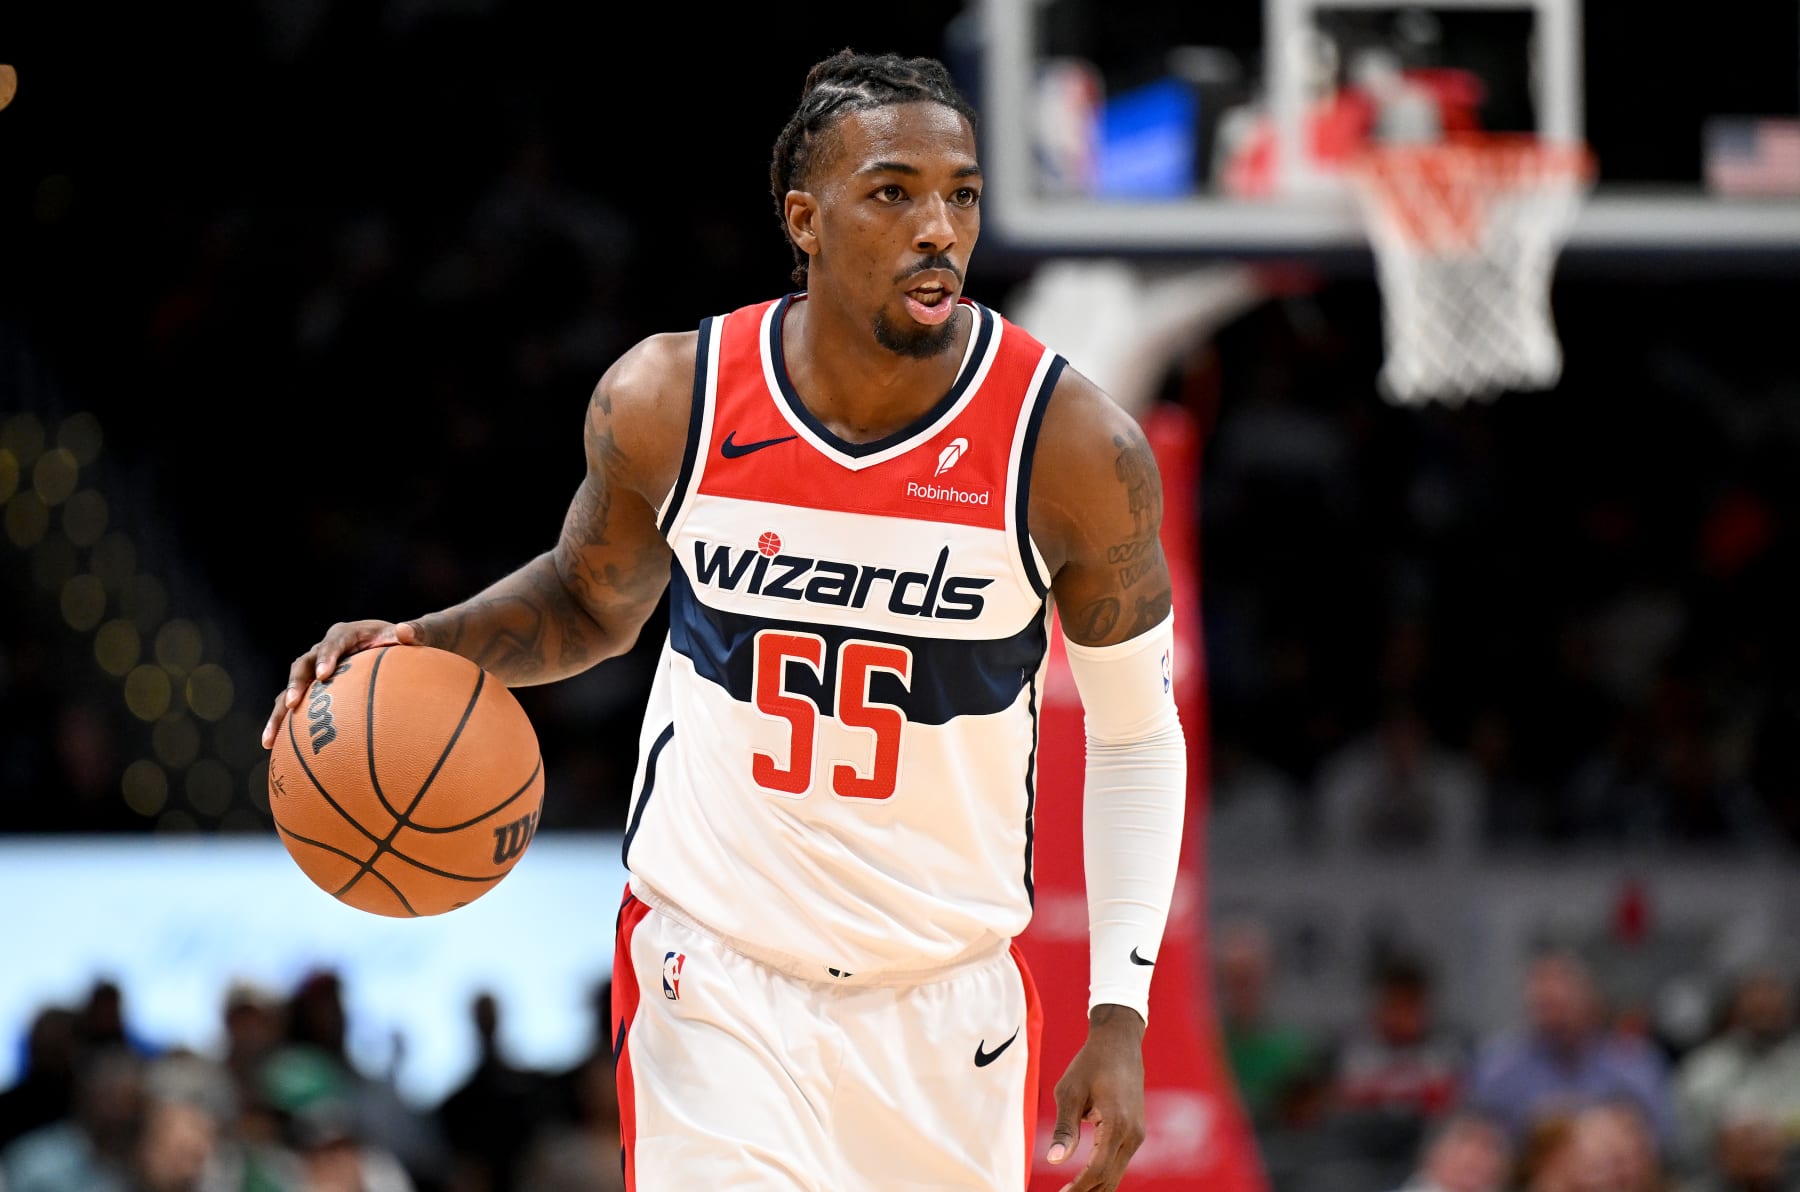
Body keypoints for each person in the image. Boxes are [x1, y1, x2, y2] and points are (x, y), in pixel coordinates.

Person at [261, 47, 1188, 1192]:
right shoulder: (673, 398)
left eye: (962, 193)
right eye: (893, 191)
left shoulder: (1073, 448)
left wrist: (1122, 1010)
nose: (939, 226)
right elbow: (587, 599)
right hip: (717, 980)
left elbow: (1138, 734)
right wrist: (426, 640)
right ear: (804, 216)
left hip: (948, 1005)